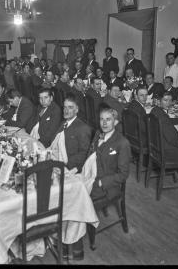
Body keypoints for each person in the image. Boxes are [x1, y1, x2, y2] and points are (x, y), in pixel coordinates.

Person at [70, 108, 131, 260]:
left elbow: (123, 175)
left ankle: (76, 245)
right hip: (90, 176)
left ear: (115, 122)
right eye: (102, 119)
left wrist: (102, 182)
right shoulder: (98, 134)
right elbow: (90, 156)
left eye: (108, 119)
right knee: (68, 188)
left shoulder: (122, 143)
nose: (104, 123)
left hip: (107, 185)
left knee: (76, 197)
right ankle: (71, 232)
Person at [49, 93, 92, 172]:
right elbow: (54, 141)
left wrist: (65, 165)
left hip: (69, 168)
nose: (66, 110)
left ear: (76, 110)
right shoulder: (63, 123)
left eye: (70, 107)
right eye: (65, 107)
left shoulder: (83, 128)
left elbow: (84, 153)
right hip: (55, 160)